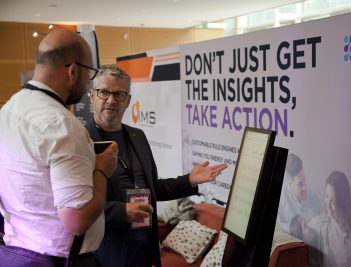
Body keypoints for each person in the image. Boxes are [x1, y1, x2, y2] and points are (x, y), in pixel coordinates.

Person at [86, 65, 228, 267]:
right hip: (106, 254)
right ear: (92, 96)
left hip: (144, 251)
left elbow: (153, 188)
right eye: (104, 92)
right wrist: (121, 210)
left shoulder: (137, 136)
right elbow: (75, 207)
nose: (111, 100)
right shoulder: (80, 142)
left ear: (128, 101)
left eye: (119, 94)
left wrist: (189, 180)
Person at [0, 30, 118, 266]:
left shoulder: (9, 110)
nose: (88, 82)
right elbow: (77, 219)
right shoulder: (62, 126)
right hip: (58, 260)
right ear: (73, 71)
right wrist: (102, 170)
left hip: (16, 254)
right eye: (90, 73)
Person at [308, 171, 351, 267]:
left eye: (333, 202)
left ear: (343, 205)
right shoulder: (320, 223)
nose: (327, 205)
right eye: (327, 197)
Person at [277, 153, 322, 233]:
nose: (305, 187)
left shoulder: (313, 198)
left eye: (304, 179)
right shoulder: (280, 199)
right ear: (290, 183)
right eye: (300, 184)